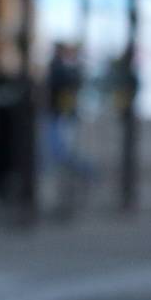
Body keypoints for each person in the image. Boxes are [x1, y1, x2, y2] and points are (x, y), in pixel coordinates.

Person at [42, 42, 97, 203]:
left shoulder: (62, 69)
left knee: (60, 152)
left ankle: (88, 172)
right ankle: (87, 173)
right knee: (58, 152)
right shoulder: (62, 68)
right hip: (58, 115)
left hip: (59, 115)